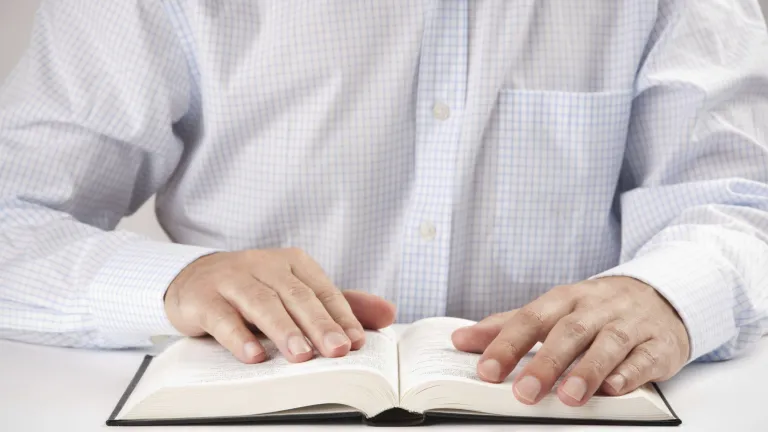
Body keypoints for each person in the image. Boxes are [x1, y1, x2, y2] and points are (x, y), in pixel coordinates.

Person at [1, 0, 767, 408]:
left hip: (563, 404)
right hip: (246, 408)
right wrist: (176, 282)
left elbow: (741, 199)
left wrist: (666, 295)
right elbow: (14, 210)